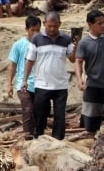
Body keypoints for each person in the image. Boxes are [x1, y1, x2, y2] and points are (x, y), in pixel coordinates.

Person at [21, 11, 76, 140]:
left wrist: (76, 46)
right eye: (49, 26)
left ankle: (58, 140)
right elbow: (30, 60)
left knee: (60, 115)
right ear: (44, 24)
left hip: (60, 85)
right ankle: (38, 138)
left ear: (59, 24)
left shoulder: (66, 39)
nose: (52, 29)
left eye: (55, 26)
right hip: (42, 84)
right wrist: (24, 80)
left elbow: (72, 59)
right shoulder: (36, 39)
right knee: (40, 114)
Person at [6, 15, 41, 136]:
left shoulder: (43, 45)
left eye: (38, 30)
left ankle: (37, 135)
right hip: (23, 83)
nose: (35, 33)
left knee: (39, 111)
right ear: (26, 29)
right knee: (27, 109)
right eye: (33, 30)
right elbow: (13, 65)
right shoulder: (18, 45)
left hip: (40, 83)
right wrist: (9, 84)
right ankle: (28, 136)